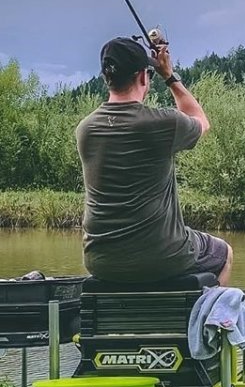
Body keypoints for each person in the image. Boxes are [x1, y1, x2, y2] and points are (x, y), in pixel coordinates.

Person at [75, 37, 233, 286]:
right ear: (142, 77)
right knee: (224, 252)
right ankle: (208, 321)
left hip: (100, 260)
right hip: (163, 256)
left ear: (107, 78)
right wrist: (169, 76)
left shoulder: (85, 129)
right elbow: (200, 120)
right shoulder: (162, 124)